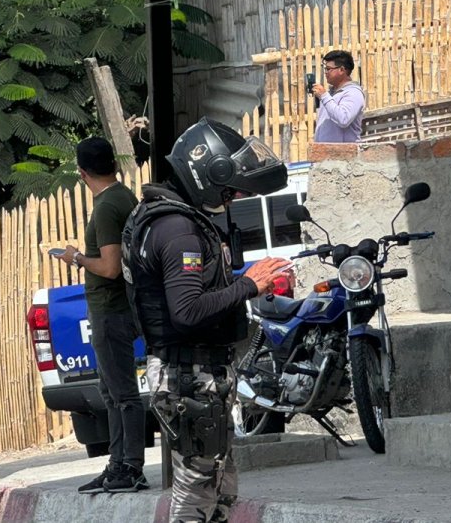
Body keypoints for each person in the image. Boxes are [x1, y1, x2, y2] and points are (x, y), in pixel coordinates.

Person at [122, 118, 293, 523]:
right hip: (188, 374)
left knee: (219, 487)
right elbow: (187, 311)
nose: (233, 198)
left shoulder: (163, 216)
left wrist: (248, 284)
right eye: (230, 189)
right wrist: (248, 285)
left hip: (194, 372)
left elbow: (193, 295)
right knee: (197, 489)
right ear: (210, 175)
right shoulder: (178, 229)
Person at [59, 138, 144, 494]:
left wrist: (75, 258)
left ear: (82, 172)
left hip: (111, 310)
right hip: (118, 308)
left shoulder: (108, 205)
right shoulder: (124, 196)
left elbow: (109, 267)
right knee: (112, 391)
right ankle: (118, 463)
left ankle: (130, 467)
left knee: (122, 393)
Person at [312, 50, 365, 143]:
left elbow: (344, 119)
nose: (326, 72)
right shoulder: (331, 94)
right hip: (325, 154)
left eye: (328, 69)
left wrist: (324, 96)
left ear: (341, 70)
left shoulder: (353, 93)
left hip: (344, 155)